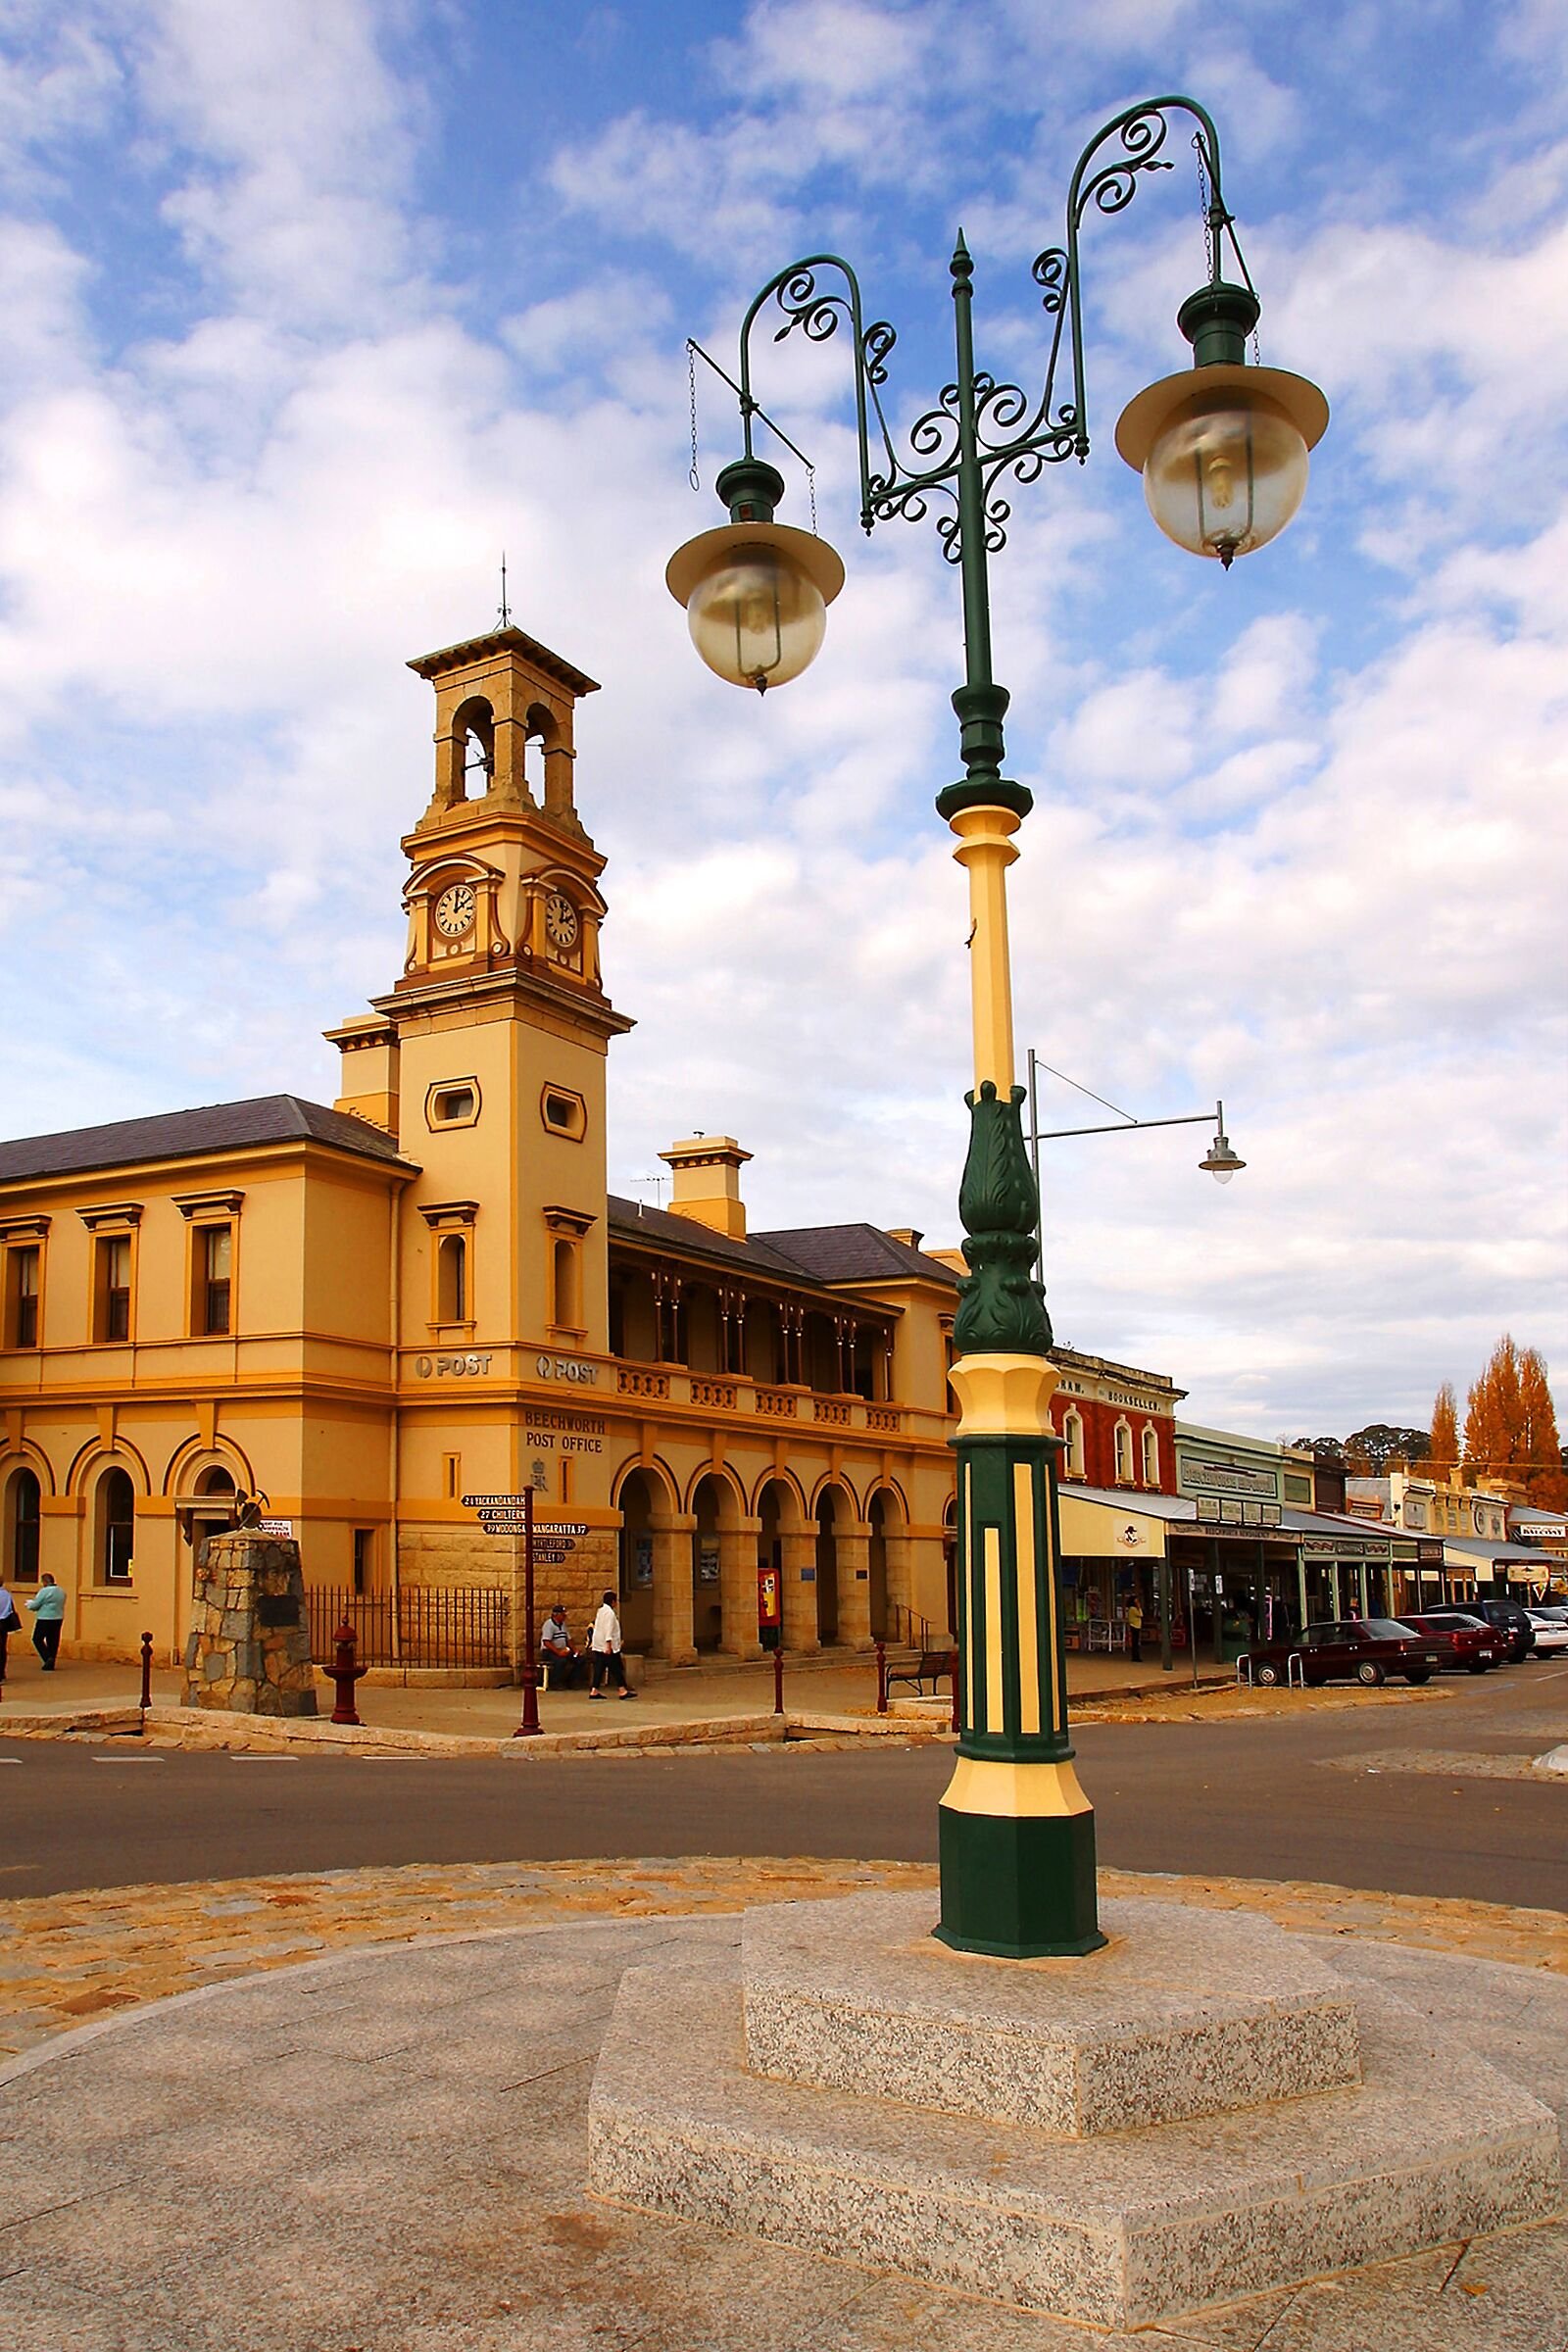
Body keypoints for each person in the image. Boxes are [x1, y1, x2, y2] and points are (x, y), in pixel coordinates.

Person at [589, 1590, 634, 1699]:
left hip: (598, 1644)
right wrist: (608, 1644)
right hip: (608, 1646)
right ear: (613, 1602)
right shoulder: (610, 1613)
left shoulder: (600, 1611)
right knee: (616, 1667)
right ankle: (622, 1690)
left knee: (599, 1668)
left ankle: (594, 1690)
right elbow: (608, 1629)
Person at [538, 1604, 584, 1689]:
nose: (564, 1617)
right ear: (556, 1615)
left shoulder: (563, 1625)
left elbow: (568, 1640)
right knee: (560, 1661)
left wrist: (575, 1651)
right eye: (563, 1615)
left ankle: (572, 1681)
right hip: (550, 1651)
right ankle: (555, 1682)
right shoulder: (549, 1625)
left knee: (580, 1660)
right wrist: (558, 1652)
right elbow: (546, 1642)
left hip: (563, 1650)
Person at [25, 1573, 66, 1671]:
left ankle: (47, 1658)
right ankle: (51, 1661)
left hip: (44, 1618)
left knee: (37, 1638)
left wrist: (29, 1605)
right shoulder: (61, 1591)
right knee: (53, 1640)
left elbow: (35, 1605)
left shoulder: (44, 1591)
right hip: (58, 1617)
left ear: (45, 1581)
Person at [0, 1579, 21, 1681]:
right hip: (3, 1623)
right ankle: (1, 1673)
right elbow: (10, 1609)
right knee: (2, 1648)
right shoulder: (7, 1594)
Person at [1126, 1595, 1145, 1663]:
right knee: (1135, 1642)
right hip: (1135, 1626)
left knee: (1135, 1642)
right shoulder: (1133, 1609)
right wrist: (1139, 1607)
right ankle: (1136, 1656)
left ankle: (1135, 1656)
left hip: (1135, 1625)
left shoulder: (1131, 1609)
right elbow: (1141, 1615)